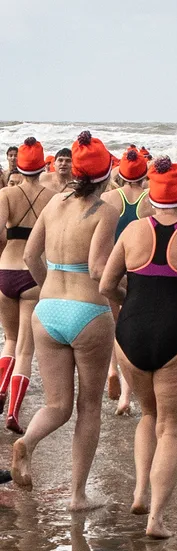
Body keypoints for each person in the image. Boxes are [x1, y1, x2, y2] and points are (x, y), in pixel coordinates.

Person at [99, 157, 177, 539]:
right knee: (171, 430)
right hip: (176, 334)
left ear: (152, 200)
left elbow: (106, 286)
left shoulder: (132, 232)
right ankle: (155, 518)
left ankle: (138, 491)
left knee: (147, 416)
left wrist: (134, 297)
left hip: (131, 333)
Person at [12, 131, 118, 509]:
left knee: (57, 404)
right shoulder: (107, 210)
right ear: (106, 174)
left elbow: (29, 257)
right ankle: (77, 495)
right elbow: (97, 268)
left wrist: (49, 290)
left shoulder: (53, 203)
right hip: (88, 311)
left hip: (48, 310)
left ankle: (27, 441)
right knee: (89, 407)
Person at [0, 137, 56, 433]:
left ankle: (0, 387)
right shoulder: (52, 197)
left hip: (6, 269)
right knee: (25, 350)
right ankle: (13, 413)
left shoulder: (7, 194)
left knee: (9, 340)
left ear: (18, 165)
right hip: (34, 275)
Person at [100, 147, 151, 414]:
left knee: (112, 322)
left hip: (111, 265)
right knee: (131, 329)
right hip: (138, 268)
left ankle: (111, 370)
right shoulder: (150, 200)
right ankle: (127, 394)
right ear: (144, 175)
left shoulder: (109, 198)